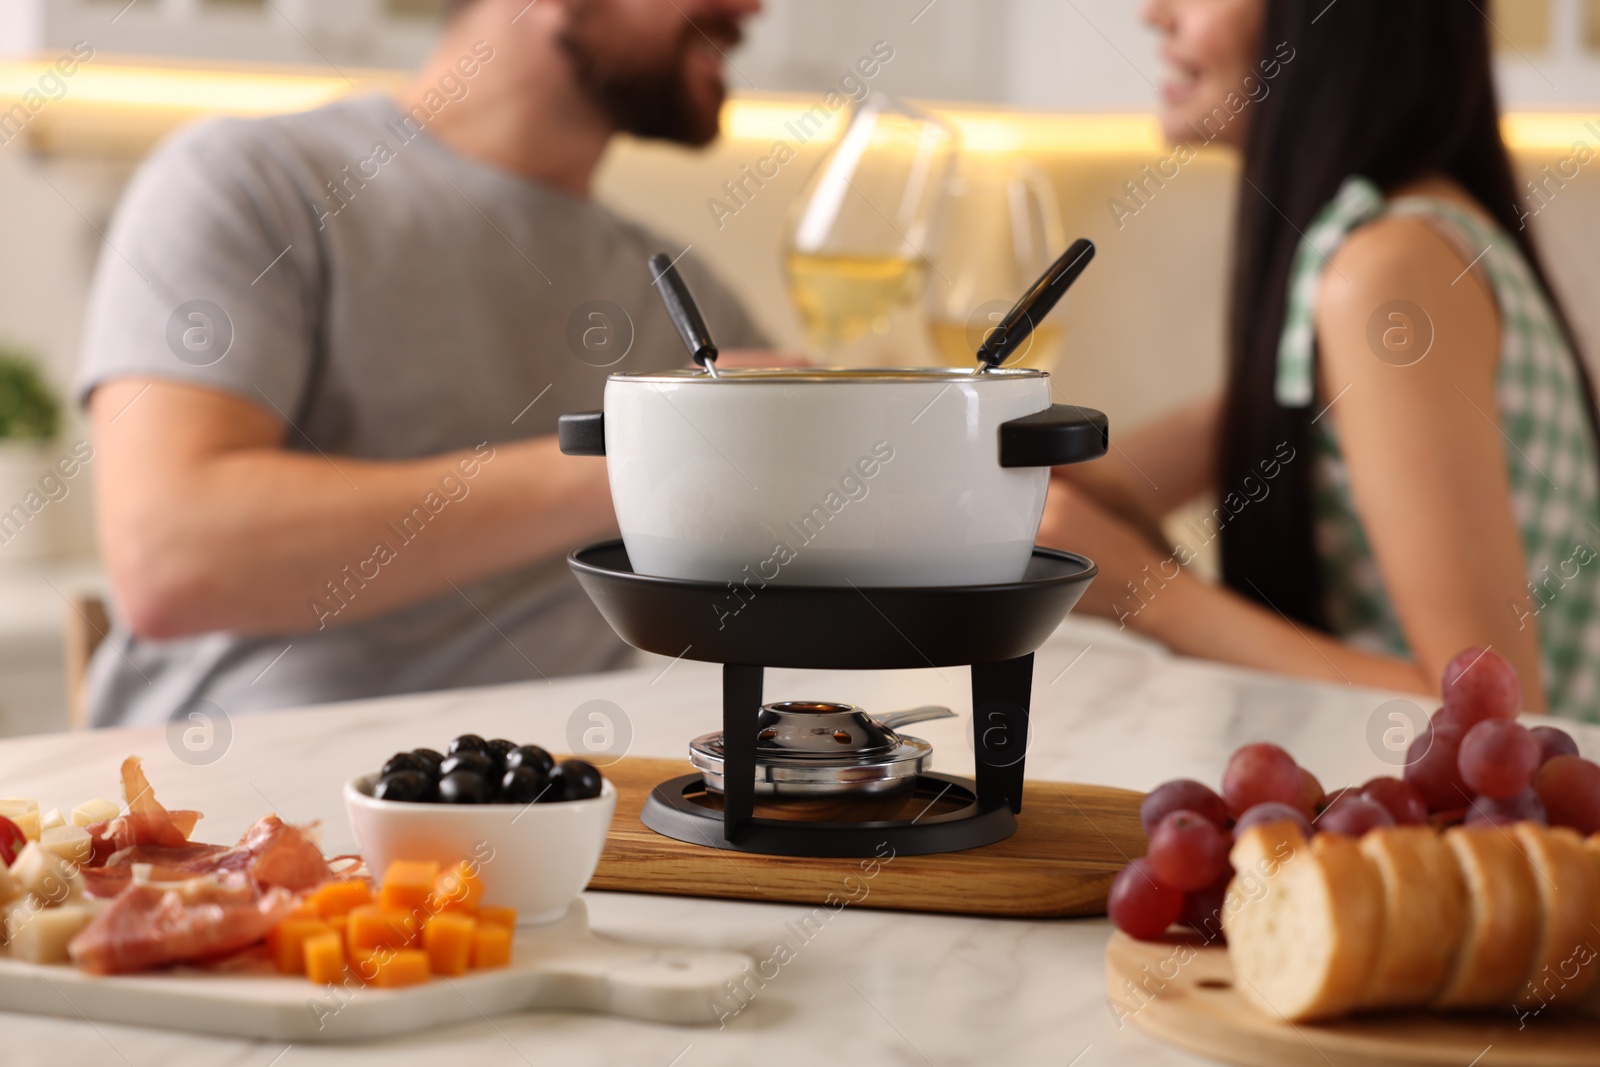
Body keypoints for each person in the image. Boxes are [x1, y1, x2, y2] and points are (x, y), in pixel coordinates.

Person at [76, 0, 766, 728]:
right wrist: (643, 460)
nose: (754, 7)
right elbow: (173, 558)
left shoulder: (676, 289)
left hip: (558, 801)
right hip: (236, 809)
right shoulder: (251, 182)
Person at [1039, 0, 1600, 720]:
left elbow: (1487, 720)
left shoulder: (1389, 272)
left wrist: (1151, 596)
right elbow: (1109, 487)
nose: (1154, 13)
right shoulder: (1382, 242)